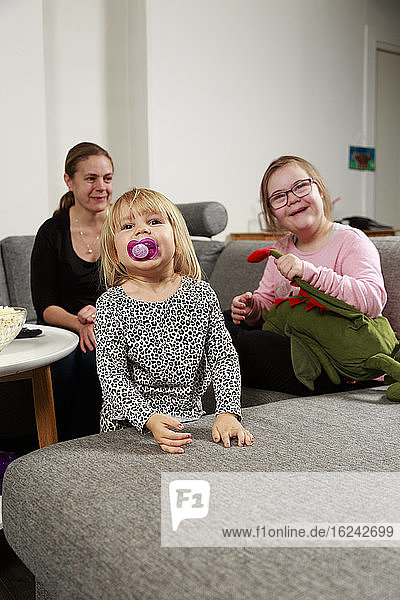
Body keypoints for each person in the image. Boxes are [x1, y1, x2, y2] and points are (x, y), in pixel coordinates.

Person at [95, 188, 254, 453]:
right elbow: (112, 376)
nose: (141, 231)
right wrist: (147, 418)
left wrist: (227, 412)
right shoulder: (111, 304)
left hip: (188, 421)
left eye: (154, 222)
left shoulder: (201, 295)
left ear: (177, 239)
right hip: (128, 427)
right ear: (115, 252)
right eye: (128, 226)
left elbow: (224, 358)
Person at [227, 155, 387, 395]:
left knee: (249, 346)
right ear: (273, 212)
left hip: (340, 364)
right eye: (279, 197)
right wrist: (253, 309)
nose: (292, 200)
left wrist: (309, 273)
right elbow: (268, 304)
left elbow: (373, 301)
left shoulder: (351, 241)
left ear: (319, 190)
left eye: (300, 186)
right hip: (298, 344)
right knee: (220, 320)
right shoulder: (281, 249)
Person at [31, 141, 114, 440]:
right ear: (69, 180)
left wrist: (99, 316)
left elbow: (134, 285)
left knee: (94, 359)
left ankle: (93, 447)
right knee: (65, 364)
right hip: (61, 324)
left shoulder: (123, 228)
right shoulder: (51, 232)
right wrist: (79, 323)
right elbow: (44, 306)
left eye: (107, 178)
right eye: (91, 178)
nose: (101, 187)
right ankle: (55, 446)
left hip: (111, 321)